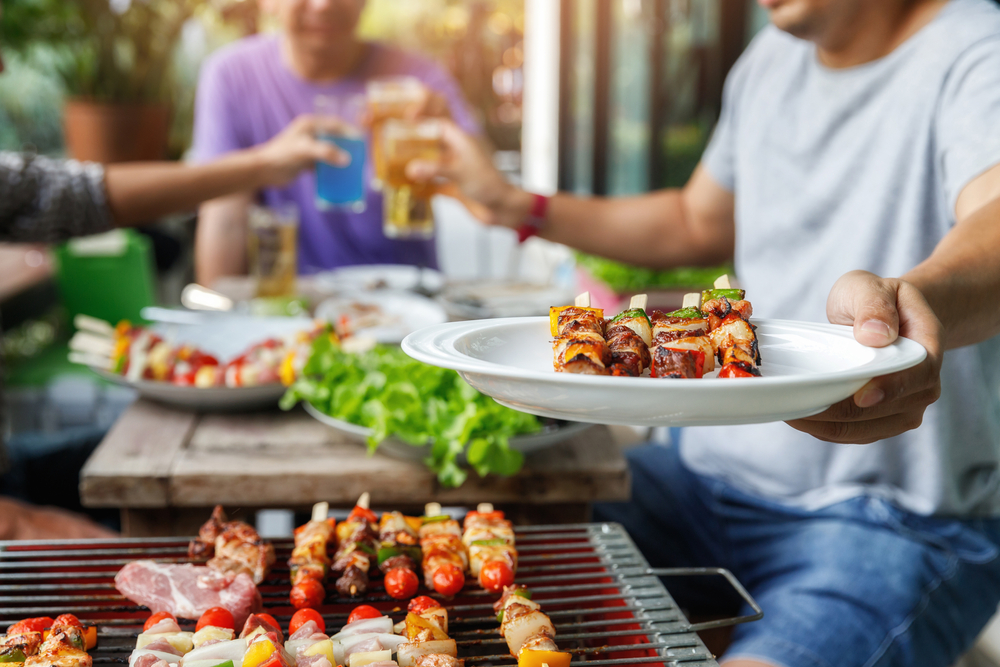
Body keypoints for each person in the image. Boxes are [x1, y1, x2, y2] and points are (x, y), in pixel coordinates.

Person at [405, 0, 1000, 665]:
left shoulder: (975, 47)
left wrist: (918, 297)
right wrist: (517, 206)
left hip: (895, 520)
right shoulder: (769, 60)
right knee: (472, 551)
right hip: (702, 477)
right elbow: (694, 220)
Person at [0, 115, 349, 539]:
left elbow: (74, 195)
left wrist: (263, 165)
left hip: (11, 466)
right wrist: (21, 524)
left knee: (221, 464)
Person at [190, 0, 481, 287]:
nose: (323, 4)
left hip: (409, 303)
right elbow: (225, 220)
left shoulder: (418, 78)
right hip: (295, 309)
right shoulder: (231, 75)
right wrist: (216, 321)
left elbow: (487, 192)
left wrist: (447, 138)